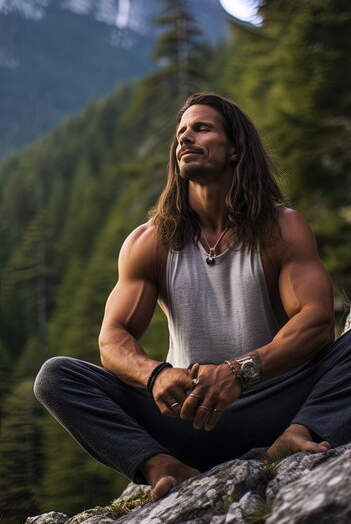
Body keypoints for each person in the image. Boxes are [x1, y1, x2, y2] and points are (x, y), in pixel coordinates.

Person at [35, 93, 351, 502]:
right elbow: (112, 338)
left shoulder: (281, 228)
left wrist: (240, 371)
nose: (185, 138)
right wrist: (156, 375)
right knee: (56, 377)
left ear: (235, 149)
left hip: (277, 403)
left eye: (201, 128)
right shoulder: (150, 241)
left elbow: (317, 322)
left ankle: (301, 434)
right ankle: (163, 466)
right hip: (188, 418)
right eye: (181, 132)